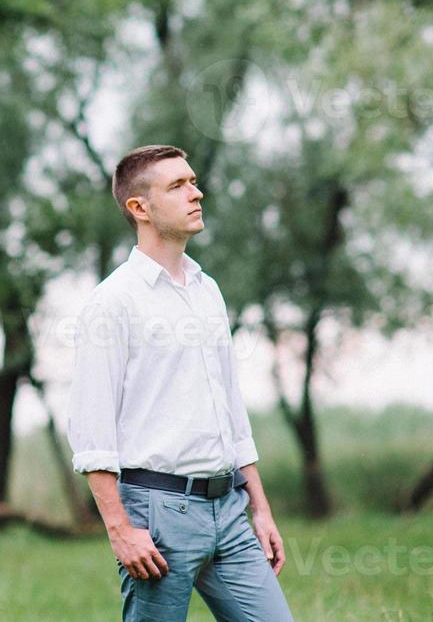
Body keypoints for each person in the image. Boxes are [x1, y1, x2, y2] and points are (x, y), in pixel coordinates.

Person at [69, 144, 296, 622]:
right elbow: (92, 430)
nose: (197, 193)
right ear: (139, 207)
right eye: (178, 186)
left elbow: (231, 410)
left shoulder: (206, 289)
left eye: (192, 181)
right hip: (157, 513)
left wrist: (260, 507)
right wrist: (120, 530)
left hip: (229, 507)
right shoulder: (112, 303)